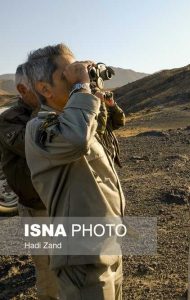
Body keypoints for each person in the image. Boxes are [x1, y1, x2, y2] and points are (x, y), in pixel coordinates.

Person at [23, 43, 125, 300]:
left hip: (107, 245)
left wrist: (95, 94)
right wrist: (80, 87)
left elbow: (97, 131)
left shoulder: (77, 118)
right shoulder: (39, 127)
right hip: (82, 260)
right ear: (44, 89)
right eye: (67, 75)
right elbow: (77, 139)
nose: (78, 79)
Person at [0, 64, 59, 300]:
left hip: (66, 202)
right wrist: (47, 109)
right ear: (23, 89)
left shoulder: (58, 110)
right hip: (38, 206)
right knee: (48, 270)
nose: (49, 90)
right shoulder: (9, 119)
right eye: (42, 86)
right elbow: (34, 146)